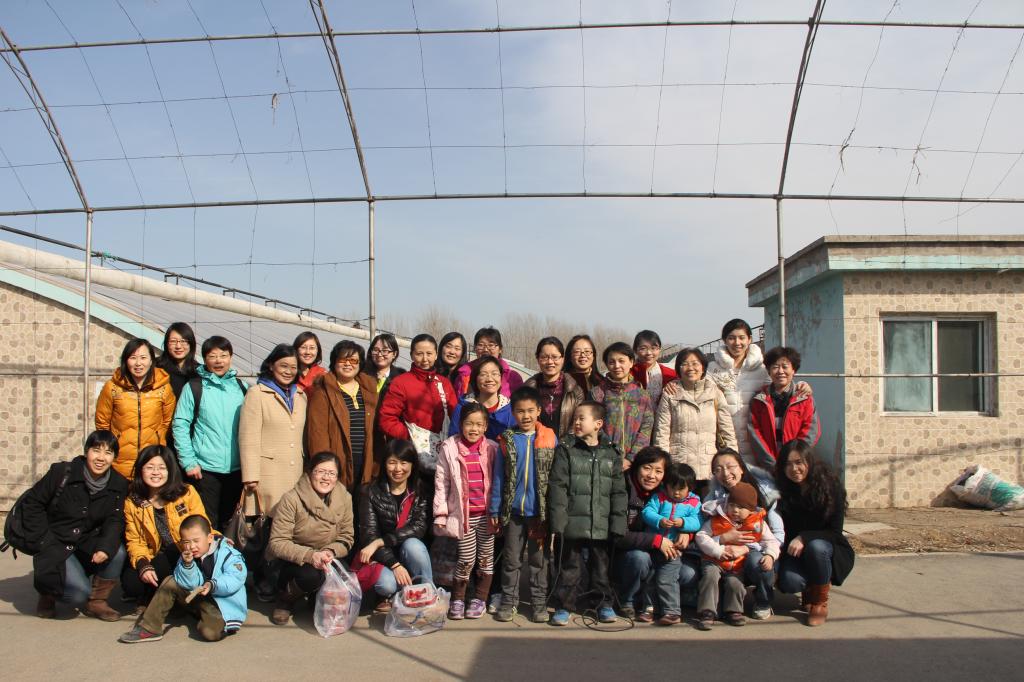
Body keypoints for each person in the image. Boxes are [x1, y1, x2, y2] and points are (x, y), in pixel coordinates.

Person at [22, 430, 128, 620]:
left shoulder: (119, 483)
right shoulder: (62, 473)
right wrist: (42, 541)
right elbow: (32, 504)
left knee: (117, 552)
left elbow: (115, 519)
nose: (101, 458)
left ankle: (97, 602)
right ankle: (48, 593)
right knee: (77, 594)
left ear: (114, 457)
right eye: (96, 450)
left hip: (87, 541)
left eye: (108, 452)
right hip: (56, 541)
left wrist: (105, 547)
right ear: (86, 451)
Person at [547, 401, 627, 626]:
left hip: (601, 522)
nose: (577, 422)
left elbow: (619, 492)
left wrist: (618, 523)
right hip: (572, 521)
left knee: (601, 567)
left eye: (582, 418)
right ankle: (564, 606)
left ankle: (603, 604)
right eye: (575, 418)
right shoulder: (566, 449)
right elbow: (557, 486)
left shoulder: (611, 453)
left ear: (598, 424)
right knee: (569, 567)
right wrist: (558, 521)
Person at [704, 319, 811, 478]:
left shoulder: (762, 369)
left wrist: (800, 385)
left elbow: (779, 387)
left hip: (755, 442)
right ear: (724, 340)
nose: (737, 342)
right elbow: (703, 395)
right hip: (724, 439)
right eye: (731, 338)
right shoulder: (713, 369)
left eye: (742, 337)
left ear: (749, 339)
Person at [119, 514, 247, 643]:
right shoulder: (186, 556)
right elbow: (188, 583)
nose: (191, 546)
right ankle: (149, 628)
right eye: (186, 542)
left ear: (209, 538)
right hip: (200, 598)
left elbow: (235, 578)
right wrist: (188, 565)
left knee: (210, 634)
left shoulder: (228, 554)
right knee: (171, 581)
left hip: (222, 606)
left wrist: (212, 585)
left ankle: (221, 624)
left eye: (196, 541)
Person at [490, 386, 557, 623]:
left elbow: (556, 478)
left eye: (530, 410)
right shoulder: (507, 440)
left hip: (539, 513)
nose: (526, 416)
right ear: (513, 413)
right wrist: (495, 508)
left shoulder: (550, 438)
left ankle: (539, 603)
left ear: (539, 410)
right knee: (511, 560)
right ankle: (509, 601)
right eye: (520, 411)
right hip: (513, 513)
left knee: (539, 561)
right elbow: (499, 477)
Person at [265, 451, 355, 625]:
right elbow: (278, 543)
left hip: (326, 556)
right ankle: (285, 598)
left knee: (343, 573)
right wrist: (310, 556)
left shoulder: (345, 498)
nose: (326, 478)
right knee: (311, 575)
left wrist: (330, 551)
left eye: (331, 473)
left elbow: (347, 536)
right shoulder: (291, 499)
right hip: (292, 560)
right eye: (320, 472)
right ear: (310, 472)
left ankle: (316, 597)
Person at [613, 446, 699, 621]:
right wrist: (656, 540)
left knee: (687, 573)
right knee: (639, 559)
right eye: (647, 468)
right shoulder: (622, 489)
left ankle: (663, 606)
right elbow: (618, 535)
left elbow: (697, 519)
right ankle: (628, 600)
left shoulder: (671, 493)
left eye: (658, 471)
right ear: (636, 467)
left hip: (666, 551)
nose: (652, 475)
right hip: (627, 553)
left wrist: (687, 531)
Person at [171, 336, 248, 530]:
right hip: (205, 470)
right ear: (204, 359)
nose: (218, 361)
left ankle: (227, 551)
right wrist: (189, 462)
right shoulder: (194, 387)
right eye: (212, 356)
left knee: (231, 522)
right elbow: (180, 425)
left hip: (237, 469)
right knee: (207, 522)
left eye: (223, 355)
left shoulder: (242, 388)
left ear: (231, 357)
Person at [774, 441, 854, 627]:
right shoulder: (782, 489)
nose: (794, 469)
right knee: (790, 582)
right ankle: (811, 587)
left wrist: (804, 537)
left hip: (828, 548)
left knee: (816, 547)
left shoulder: (830, 487)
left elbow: (835, 532)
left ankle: (819, 602)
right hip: (794, 550)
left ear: (809, 461)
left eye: (799, 462)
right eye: (788, 464)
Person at [122, 445, 208, 610]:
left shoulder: (186, 493)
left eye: (162, 468)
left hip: (184, 551)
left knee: (168, 562)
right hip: (153, 555)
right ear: (141, 470)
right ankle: (155, 594)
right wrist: (143, 564)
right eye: (150, 467)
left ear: (170, 471)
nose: (156, 472)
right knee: (131, 584)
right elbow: (135, 540)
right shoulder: (133, 502)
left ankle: (171, 596)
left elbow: (203, 525)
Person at [703, 449, 786, 619]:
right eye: (718, 469)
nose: (725, 473)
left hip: (756, 550)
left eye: (730, 466)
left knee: (759, 563)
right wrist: (723, 539)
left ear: (741, 467)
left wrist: (750, 548)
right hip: (721, 553)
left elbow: (777, 536)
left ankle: (763, 601)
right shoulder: (713, 500)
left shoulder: (765, 494)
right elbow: (703, 534)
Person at [434, 403, 498, 620]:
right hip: (464, 516)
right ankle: (458, 599)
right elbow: (441, 481)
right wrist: (441, 513)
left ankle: (480, 599)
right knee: (466, 558)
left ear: (486, 426)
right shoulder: (449, 448)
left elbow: (498, 481)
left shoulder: (491, 448)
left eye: (479, 424)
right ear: (461, 424)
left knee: (486, 559)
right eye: (469, 423)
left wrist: (498, 512)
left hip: (487, 516)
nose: (474, 429)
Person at [355, 440, 433, 608]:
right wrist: (394, 564)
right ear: (384, 464)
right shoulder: (369, 492)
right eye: (392, 462)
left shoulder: (421, 491)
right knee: (386, 584)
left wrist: (381, 541)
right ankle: (398, 593)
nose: (398, 469)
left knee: (413, 545)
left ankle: (427, 594)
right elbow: (369, 536)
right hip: (382, 558)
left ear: (412, 465)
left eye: (404, 463)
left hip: (408, 553)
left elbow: (418, 528)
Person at [694, 481, 780, 630]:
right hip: (713, 560)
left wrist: (770, 555)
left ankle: (733, 611)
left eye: (741, 507)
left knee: (735, 583)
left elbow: (771, 541)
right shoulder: (717, 520)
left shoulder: (758, 523)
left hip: (738, 562)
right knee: (710, 577)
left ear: (751, 510)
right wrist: (717, 550)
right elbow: (701, 537)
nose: (735, 510)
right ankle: (707, 612)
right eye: (732, 505)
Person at [239, 344, 309, 517]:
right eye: (283, 366)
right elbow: (248, 437)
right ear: (271, 365)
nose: (288, 371)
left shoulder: (300, 396)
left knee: (292, 520)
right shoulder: (257, 394)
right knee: (270, 520)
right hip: (268, 473)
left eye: (293, 367)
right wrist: (250, 475)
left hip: (295, 471)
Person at [653, 347, 736, 490]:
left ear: (703, 367)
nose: (690, 368)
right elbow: (662, 433)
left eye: (695, 363)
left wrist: (733, 462)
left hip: (709, 468)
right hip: (679, 468)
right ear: (678, 369)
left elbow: (727, 430)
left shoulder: (715, 393)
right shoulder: (670, 394)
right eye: (684, 364)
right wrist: (663, 465)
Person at [305, 341, 379, 496]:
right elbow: (317, 434)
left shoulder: (369, 389)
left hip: (365, 462)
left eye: (353, 360)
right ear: (334, 362)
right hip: (337, 462)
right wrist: (325, 468)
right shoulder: (323, 390)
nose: (348, 364)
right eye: (342, 359)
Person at [96, 338, 176, 479]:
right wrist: (109, 449)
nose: (138, 363)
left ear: (151, 361)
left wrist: (158, 441)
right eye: (133, 358)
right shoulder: (112, 387)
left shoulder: (164, 388)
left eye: (143, 358)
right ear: (126, 361)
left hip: (152, 460)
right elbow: (102, 423)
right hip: (119, 461)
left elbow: (167, 422)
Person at [377, 333, 456, 474]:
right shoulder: (401, 382)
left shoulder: (444, 383)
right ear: (412, 355)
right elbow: (387, 418)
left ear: (436, 355)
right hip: (412, 456)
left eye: (429, 354)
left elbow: (454, 416)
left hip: (442, 453)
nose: (425, 359)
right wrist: (409, 438)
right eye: (419, 354)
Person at [641, 462, 701, 625]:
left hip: (673, 549)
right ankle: (649, 608)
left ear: (690, 488)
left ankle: (672, 611)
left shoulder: (694, 502)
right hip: (654, 545)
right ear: (665, 485)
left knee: (667, 578)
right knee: (650, 577)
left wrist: (683, 523)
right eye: (672, 487)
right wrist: (659, 520)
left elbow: (697, 521)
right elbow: (647, 512)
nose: (676, 492)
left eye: (681, 489)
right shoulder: (659, 498)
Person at [749, 346, 821, 471]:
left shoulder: (805, 399)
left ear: (793, 370)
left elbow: (811, 432)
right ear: (769, 371)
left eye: (785, 366)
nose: (780, 371)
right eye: (775, 367)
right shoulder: (758, 400)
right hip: (769, 467)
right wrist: (771, 464)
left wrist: (794, 460)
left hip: (796, 467)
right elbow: (755, 434)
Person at [589, 342, 654, 469]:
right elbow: (592, 426)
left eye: (621, 361)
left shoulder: (642, 395)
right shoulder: (597, 393)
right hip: (603, 461)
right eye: (611, 362)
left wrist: (631, 458)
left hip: (634, 463)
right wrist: (608, 454)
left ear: (631, 362)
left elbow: (646, 428)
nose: (617, 366)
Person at [524, 336, 585, 437]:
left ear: (562, 359)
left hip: (567, 445)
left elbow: (579, 422)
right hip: (534, 444)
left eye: (555, 357)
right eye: (544, 357)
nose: (550, 362)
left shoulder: (575, 391)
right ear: (538, 359)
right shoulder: (527, 390)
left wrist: (564, 444)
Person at [449, 356, 516, 440]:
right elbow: (453, 440)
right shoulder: (463, 407)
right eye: (483, 374)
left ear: (501, 378)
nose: (489, 379)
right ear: (475, 379)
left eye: (494, 374)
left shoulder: (511, 409)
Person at [453, 327, 525, 399]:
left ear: (500, 349)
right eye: (481, 345)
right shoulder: (463, 375)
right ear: (475, 348)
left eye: (491, 345)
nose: (486, 349)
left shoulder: (512, 377)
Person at [630, 330, 677, 406]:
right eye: (643, 348)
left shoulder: (671, 375)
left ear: (659, 349)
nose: (649, 353)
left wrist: (675, 383)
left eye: (653, 348)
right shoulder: (627, 373)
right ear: (635, 350)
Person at [156, 322, 199, 399]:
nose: (178, 346)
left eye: (183, 341)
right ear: (166, 343)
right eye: (173, 341)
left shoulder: (199, 372)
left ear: (191, 344)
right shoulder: (156, 367)